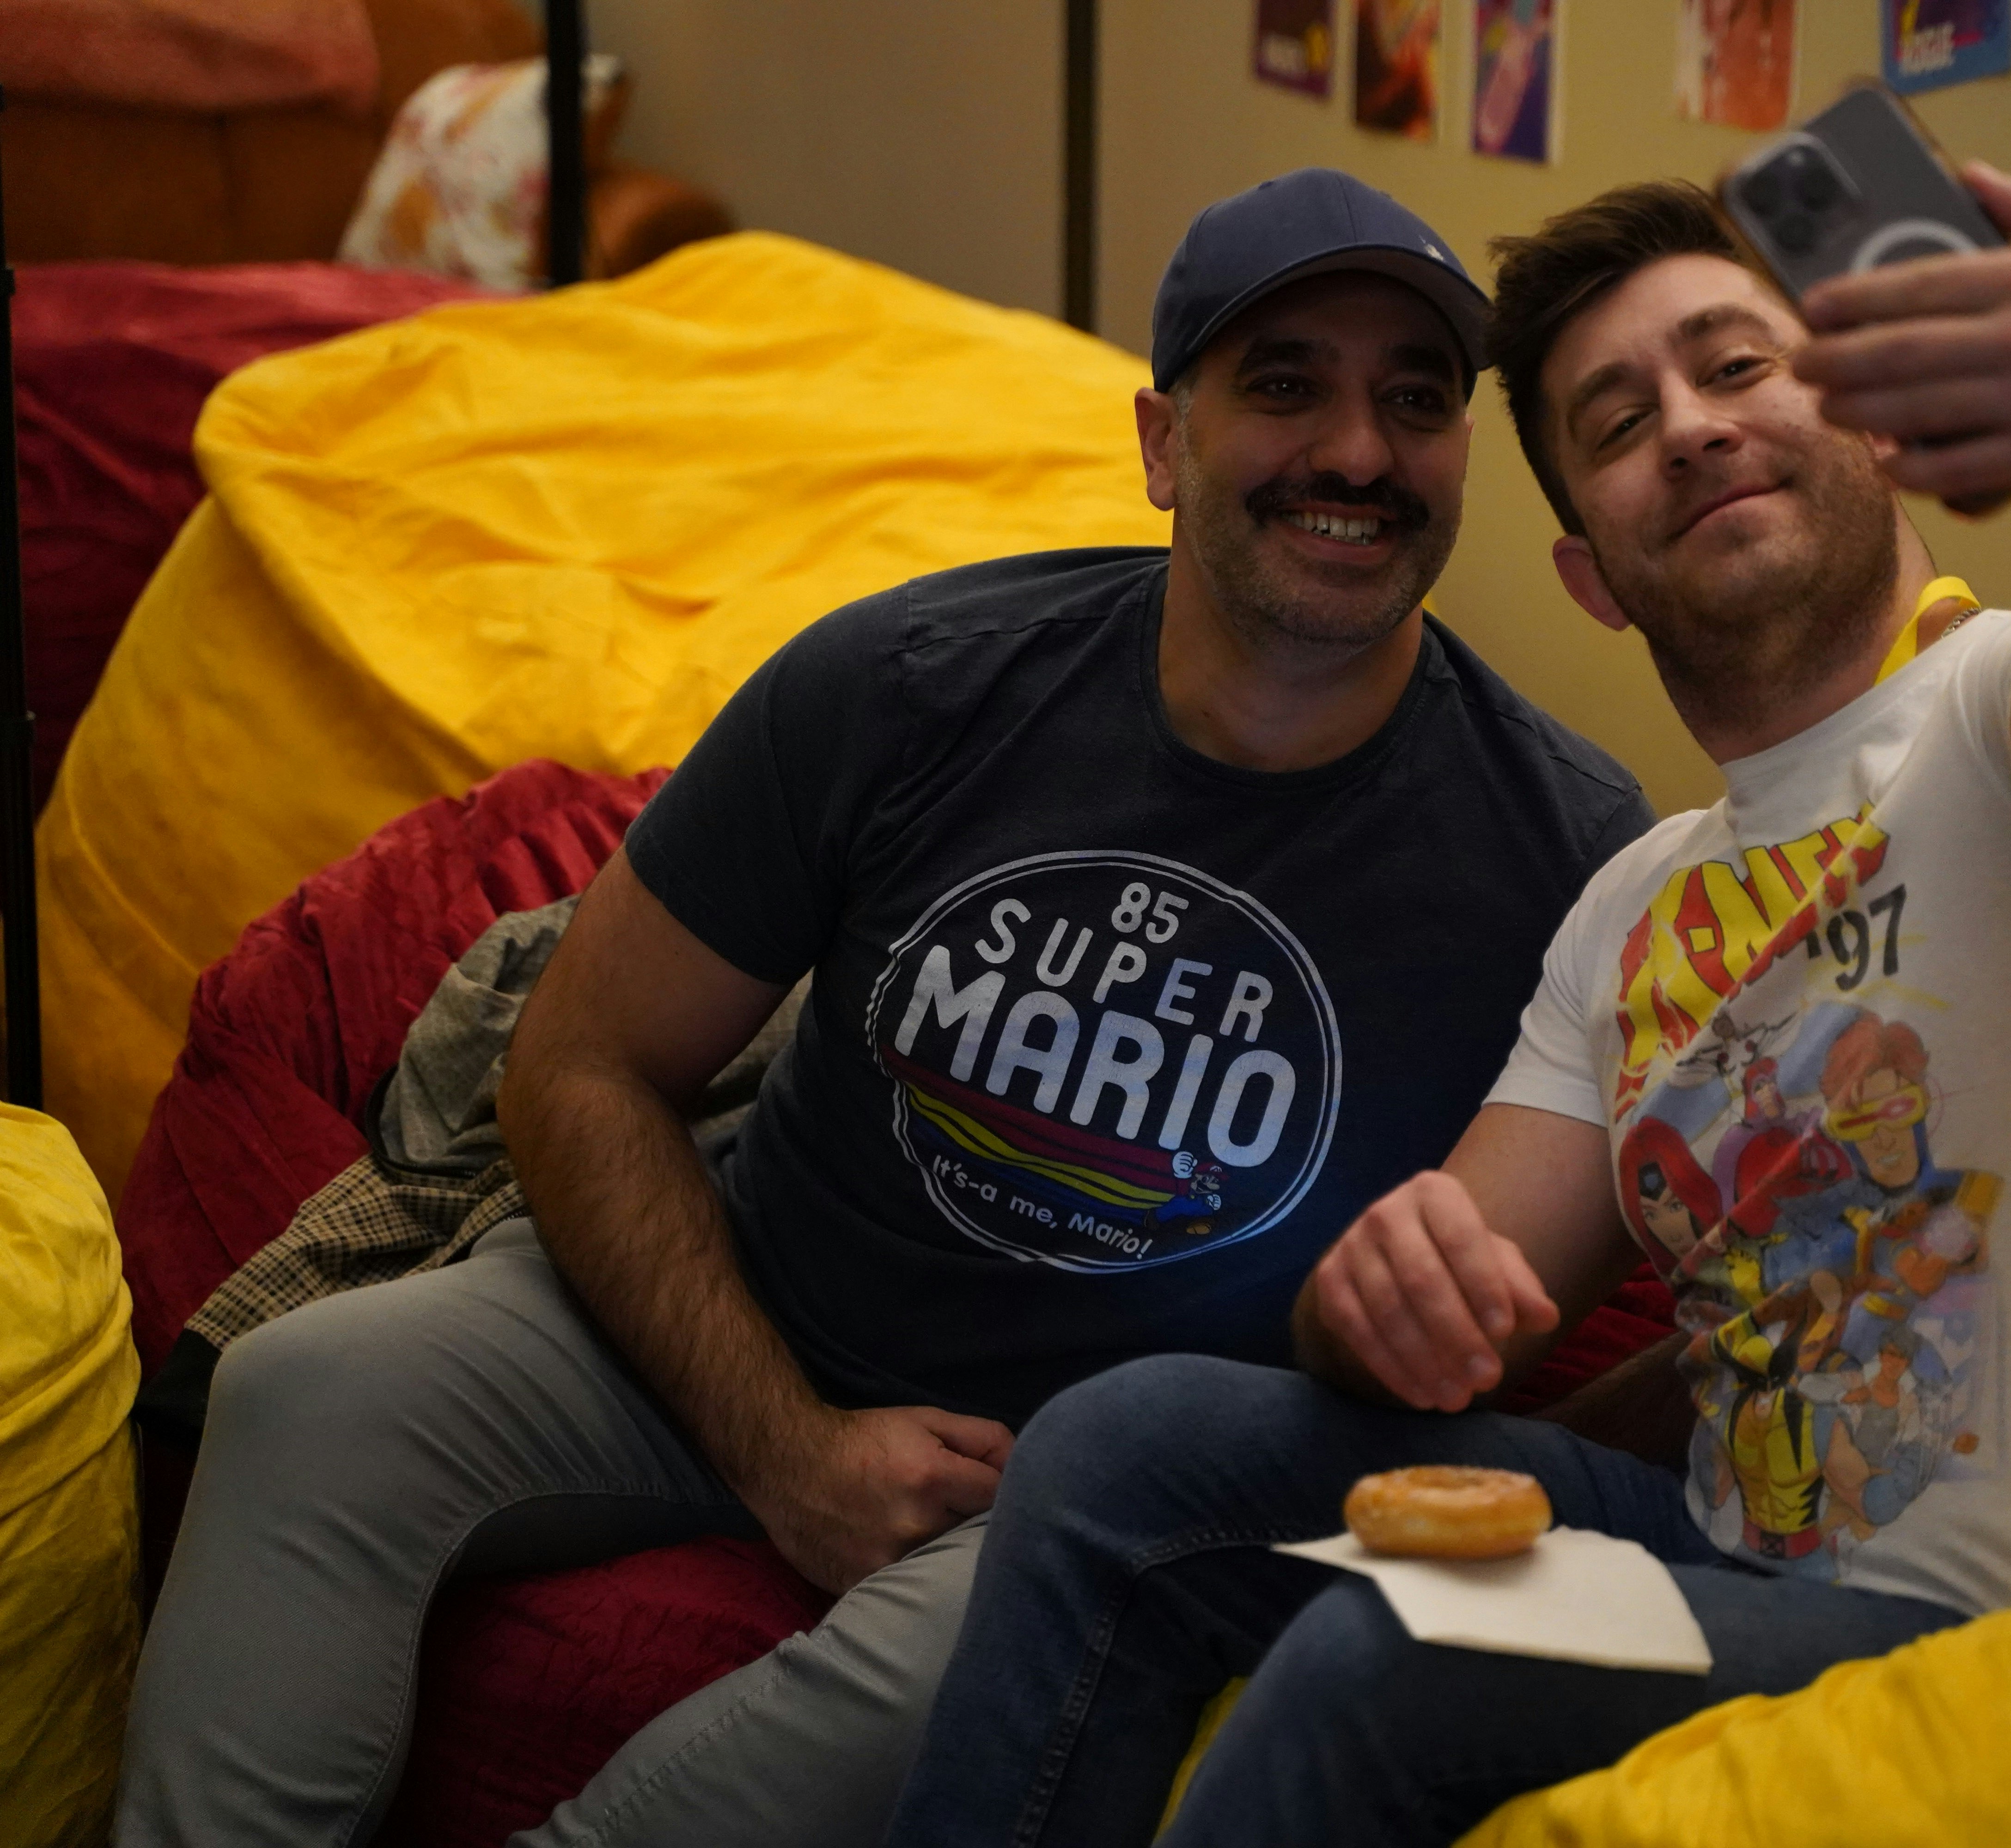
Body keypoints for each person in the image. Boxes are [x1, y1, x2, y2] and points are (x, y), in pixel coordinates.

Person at [112, 168, 1657, 1848]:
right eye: (1284, 384)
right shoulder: (908, 684)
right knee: (307, 1390)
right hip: (742, 1320)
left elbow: (1524, 1321)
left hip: (1096, 1489)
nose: (1356, 452)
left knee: (985, 1660)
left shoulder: (1564, 853)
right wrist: (786, 1447)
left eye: (1414, 402)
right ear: (1163, 444)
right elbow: (581, 1061)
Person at [888, 159, 2011, 1848]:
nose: (1688, 427)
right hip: (1721, 1565)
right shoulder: (1629, 909)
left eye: (1736, 366)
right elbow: (1458, 1314)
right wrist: (1373, 1295)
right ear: (1588, 570)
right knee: (1123, 1443)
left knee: (1394, 1656)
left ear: (1870, 424)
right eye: (1617, 422)